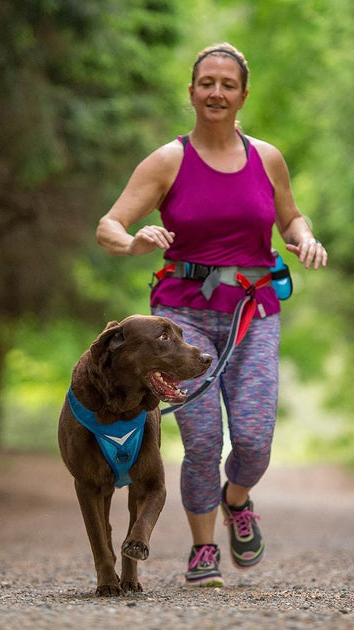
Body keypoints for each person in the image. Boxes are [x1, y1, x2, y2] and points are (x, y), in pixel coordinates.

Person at [96, 42, 327, 587]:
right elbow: (108, 225)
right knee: (201, 440)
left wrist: (304, 238)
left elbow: (291, 218)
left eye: (227, 84)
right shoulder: (167, 161)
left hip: (253, 312)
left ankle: (237, 499)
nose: (216, 92)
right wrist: (134, 242)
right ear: (192, 92)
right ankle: (203, 549)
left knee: (253, 438)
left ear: (243, 94)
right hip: (181, 320)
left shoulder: (267, 157)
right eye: (207, 83)